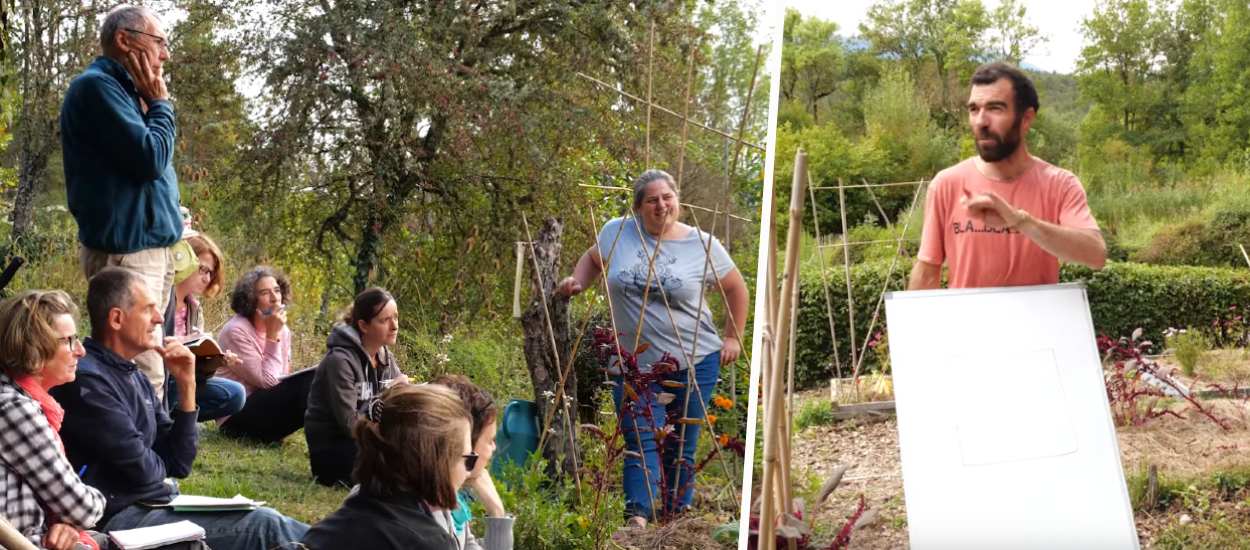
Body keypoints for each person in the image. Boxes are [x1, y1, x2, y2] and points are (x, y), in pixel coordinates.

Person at [51, 267, 308, 549]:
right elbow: (146, 471)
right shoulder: (89, 383)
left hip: (151, 503)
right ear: (116, 318)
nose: (160, 318)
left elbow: (180, 463)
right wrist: (161, 472)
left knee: (269, 523)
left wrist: (187, 384)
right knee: (264, 526)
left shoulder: (133, 374)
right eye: (149, 309)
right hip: (117, 518)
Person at [556, 169, 750, 526]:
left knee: (680, 442)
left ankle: (675, 516)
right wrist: (577, 282)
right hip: (632, 362)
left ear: (677, 200)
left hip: (693, 358)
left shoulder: (703, 245)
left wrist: (732, 337)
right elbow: (592, 260)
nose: (662, 205)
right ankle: (638, 517)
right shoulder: (617, 232)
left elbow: (736, 288)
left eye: (668, 197)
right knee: (639, 435)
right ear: (638, 207)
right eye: (652, 200)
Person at [60, 4, 181, 401]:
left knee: (151, 364)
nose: (165, 54)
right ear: (123, 40)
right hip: (127, 253)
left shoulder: (132, 93)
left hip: (153, 250)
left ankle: (149, 457)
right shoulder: (97, 88)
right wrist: (161, 105)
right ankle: (138, 460)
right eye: (159, 42)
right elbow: (149, 158)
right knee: (141, 371)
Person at [909, 62, 1107, 291]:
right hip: (968, 326)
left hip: (1038, 326)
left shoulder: (1060, 184)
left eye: (995, 108)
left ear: (1026, 119)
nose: (981, 121)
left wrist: (1020, 221)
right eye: (974, 109)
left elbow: (1096, 255)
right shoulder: (946, 184)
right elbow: (927, 271)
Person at [301, 383, 475, 549]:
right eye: (468, 460)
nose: (469, 472)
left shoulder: (326, 530)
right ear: (437, 464)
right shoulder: (428, 542)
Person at [0, 290, 106, 550]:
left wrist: (68, 523)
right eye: (67, 341)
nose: (80, 350)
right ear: (33, 348)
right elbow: (83, 508)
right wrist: (76, 516)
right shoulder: (14, 409)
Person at [305, 287, 408, 486]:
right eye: (384, 320)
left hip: (365, 444)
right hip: (333, 452)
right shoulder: (340, 361)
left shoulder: (384, 356)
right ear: (363, 325)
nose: (394, 326)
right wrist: (388, 394)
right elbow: (350, 425)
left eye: (395, 317)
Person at [216, 266, 313, 442]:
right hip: (236, 419)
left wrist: (276, 332)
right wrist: (272, 335)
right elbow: (268, 382)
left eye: (277, 290)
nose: (275, 298)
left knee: (317, 378)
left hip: (265, 409)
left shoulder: (283, 331)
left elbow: (283, 376)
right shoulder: (236, 331)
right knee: (308, 382)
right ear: (251, 300)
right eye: (264, 293)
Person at [165, 231, 246, 422]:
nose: (207, 278)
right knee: (172, 381)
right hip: (159, 375)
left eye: (210, 273)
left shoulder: (194, 308)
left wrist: (217, 360)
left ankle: (178, 417)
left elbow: (196, 364)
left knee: (236, 394)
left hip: (182, 377)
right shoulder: (161, 298)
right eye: (203, 269)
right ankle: (167, 419)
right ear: (185, 261)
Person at [435, 374, 514, 550]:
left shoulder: (449, 500)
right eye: (490, 440)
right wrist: (497, 513)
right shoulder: (429, 513)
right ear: (464, 443)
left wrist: (497, 511)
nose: (494, 448)